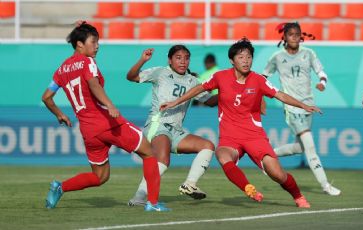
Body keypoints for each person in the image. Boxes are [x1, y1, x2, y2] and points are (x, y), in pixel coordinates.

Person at [161, 38, 322, 208]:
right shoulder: (220, 77)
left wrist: (303, 105)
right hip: (230, 137)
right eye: (241, 57)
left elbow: (280, 94)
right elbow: (199, 88)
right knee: (222, 155)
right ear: (232, 60)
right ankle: (248, 188)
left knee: (277, 175)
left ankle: (298, 196)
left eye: (249, 57)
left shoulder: (258, 80)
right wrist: (175, 102)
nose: (246, 61)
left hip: (254, 136)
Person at [41, 22, 169, 211]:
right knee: (149, 153)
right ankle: (152, 203)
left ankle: (60, 187)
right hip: (107, 122)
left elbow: (46, 97)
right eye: (93, 41)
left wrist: (60, 114)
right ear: (79, 44)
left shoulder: (62, 69)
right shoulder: (88, 62)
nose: (97, 45)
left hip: (88, 130)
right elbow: (93, 84)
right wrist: (110, 105)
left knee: (100, 176)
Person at [126, 45, 218, 206]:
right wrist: (142, 60)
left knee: (208, 146)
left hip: (176, 131)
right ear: (170, 60)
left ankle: (189, 184)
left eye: (186, 58)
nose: (183, 61)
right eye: (178, 57)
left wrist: (229, 91)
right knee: (163, 159)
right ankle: (139, 197)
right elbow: (131, 77)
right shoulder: (161, 72)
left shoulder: (193, 81)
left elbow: (210, 101)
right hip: (158, 124)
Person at [262, 22, 341, 196]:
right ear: (284, 36)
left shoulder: (308, 53)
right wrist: (263, 97)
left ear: (300, 36)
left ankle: (267, 157)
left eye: (297, 34)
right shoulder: (277, 57)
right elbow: (263, 78)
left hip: (308, 106)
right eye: (291, 34)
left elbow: (322, 72)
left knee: (300, 148)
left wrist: (322, 82)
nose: (294, 38)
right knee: (310, 147)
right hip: (291, 108)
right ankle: (325, 185)